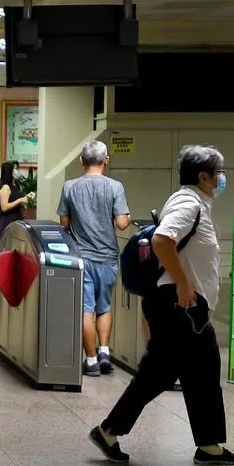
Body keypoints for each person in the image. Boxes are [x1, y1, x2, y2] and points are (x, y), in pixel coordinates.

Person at [90, 145, 234, 466]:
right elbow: (162, 240)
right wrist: (185, 285)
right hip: (179, 305)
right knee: (177, 372)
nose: (221, 179)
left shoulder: (195, 201)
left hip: (182, 306)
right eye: (218, 173)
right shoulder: (189, 202)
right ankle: (110, 429)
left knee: (184, 372)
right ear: (203, 177)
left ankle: (207, 444)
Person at [57, 141, 131, 378]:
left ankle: (90, 361)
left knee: (86, 308)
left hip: (82, 257)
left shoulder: (69, 187)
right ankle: (105, 351)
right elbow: (121, 223)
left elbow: (64, 223)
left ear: (81, 161)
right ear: (106, 161)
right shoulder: (115, 187)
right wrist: (126, 217)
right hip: (108, 256)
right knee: (104, 306)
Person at [0, 162, 33, 248]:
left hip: (15, 219)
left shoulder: (15, 185)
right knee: (5, 248)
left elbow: (14, 200)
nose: (17, 171)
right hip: (6, 221)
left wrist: (25, 197)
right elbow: (4, 207)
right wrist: (19, 200)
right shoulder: (6, 187)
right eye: (14, 169)